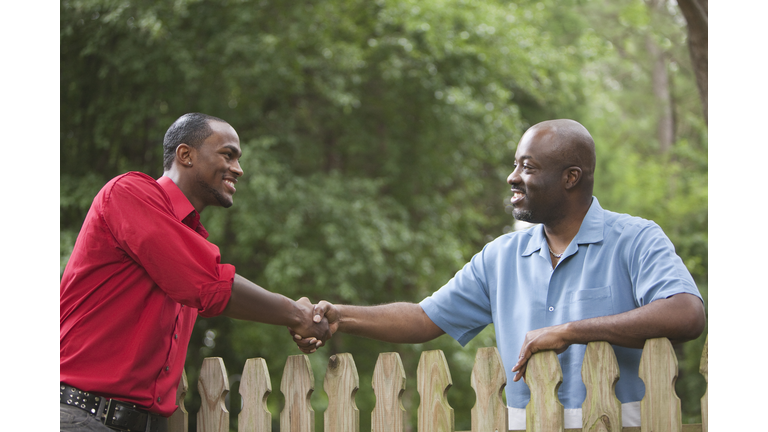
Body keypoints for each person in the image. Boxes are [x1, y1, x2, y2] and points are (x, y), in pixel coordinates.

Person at [292, 119, 706, 429]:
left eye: (527, 167)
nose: (512, 177)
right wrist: (341, 317)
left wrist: (571, 330)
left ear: (570, 178)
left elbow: (686, 315)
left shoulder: (635, 238)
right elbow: (423, 318)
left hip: (620, 422)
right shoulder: (501, 255)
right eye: (515, 165)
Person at [60, 113, 329, 432]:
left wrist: (294, 314)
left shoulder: (191, 241)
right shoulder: (127, 193)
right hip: (80, 416)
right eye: (228, 154)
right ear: (185, 155)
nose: (238, 169)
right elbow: (209, 284)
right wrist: (298, 315)